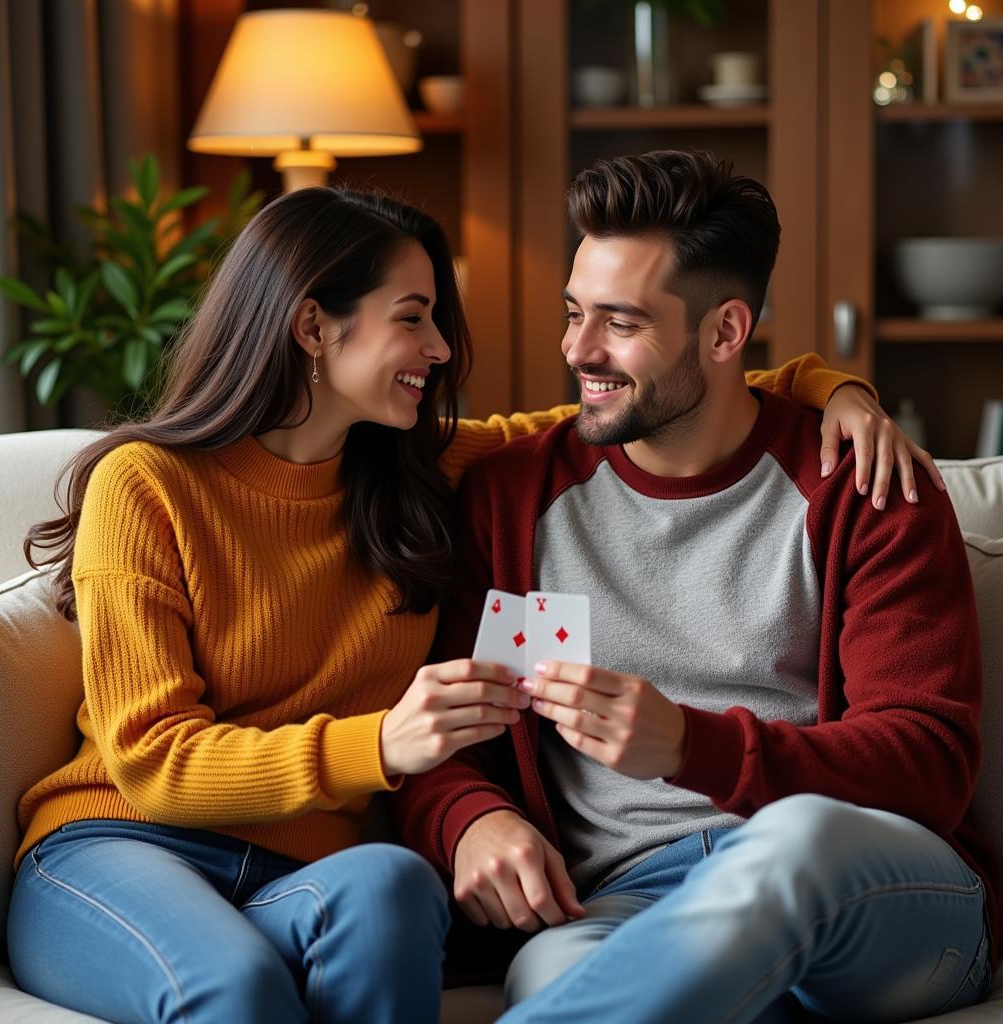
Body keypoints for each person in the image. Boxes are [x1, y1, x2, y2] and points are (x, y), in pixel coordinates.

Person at [7, 184, 931, 1024]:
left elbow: (666, 397)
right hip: (128, 838)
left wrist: (831, 388)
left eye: (437, 320)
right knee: (240, 988)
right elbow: (149, 761)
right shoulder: (151, 485)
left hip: (305, 873)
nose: (444, 349)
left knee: (395, 888)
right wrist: (386, 750)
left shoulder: (423, 472)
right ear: (311, 327)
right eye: (415, 319)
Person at [393, 150, 997, 1024]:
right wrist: (470, 822)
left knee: (797, 843)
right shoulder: (513, 498)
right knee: (556, 976)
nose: (577, 350)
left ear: (725, 333)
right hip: (631, 904)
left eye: (620, 323)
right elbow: (455, 736)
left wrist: (689, 747)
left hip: (870, 892)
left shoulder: (863, 487)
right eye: (573, 313)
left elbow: (929, 763)